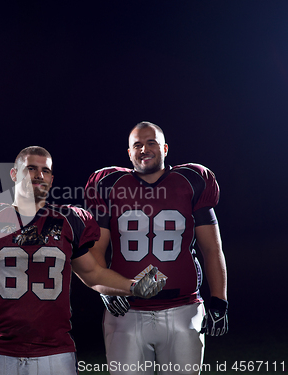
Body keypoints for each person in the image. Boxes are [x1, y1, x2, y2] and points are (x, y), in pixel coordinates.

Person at [0, 146, 166, 375]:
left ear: (51, 178)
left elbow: (93, 274)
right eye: (31, 168)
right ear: (13, 173)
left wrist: (133, 286)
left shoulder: (68, 220)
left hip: (55, 350)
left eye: (45, 170)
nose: (39, 175)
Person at [85, 122, 228, 375]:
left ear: (165, 148)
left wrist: (219, 300)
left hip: (183, 309)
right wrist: (104, 289)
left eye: (151, 142)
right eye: (137, 144)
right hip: (127, 311)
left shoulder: (191, 181)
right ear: (129, 153)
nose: (144, 149)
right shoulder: (108, 184)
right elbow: (97, 250)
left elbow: (212, 248)